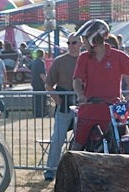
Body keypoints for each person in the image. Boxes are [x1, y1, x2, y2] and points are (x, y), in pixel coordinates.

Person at [71, 19, 129, 150]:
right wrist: (80, 95)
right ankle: (69, 169)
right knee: (77, 146)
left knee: (126, 139)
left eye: (85, 39)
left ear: (94, 38)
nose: (83, 43)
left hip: (114, 109)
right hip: (90, 108)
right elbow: (77, 80)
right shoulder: (84, 58)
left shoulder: (117, 56)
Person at [44, 34, 82, 181]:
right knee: (58, 140)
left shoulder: (86, 59)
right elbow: (48, 84)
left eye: (74, 42)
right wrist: (58, 101)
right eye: (69, 42)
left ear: (81, 44)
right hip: (65, 105)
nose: (71, 45)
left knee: (81, 140)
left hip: (82, 105)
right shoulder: (60, 61)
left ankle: (77, 172)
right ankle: (50, 171)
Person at [30, 49, 47, 117]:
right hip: (40, 83)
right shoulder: (41, 62)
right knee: (41, 99)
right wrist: (46, 82)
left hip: (34, 82)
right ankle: (41, 113)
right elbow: (42, 74)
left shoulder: (34, 62)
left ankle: (35, 113)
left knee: (35, 99)